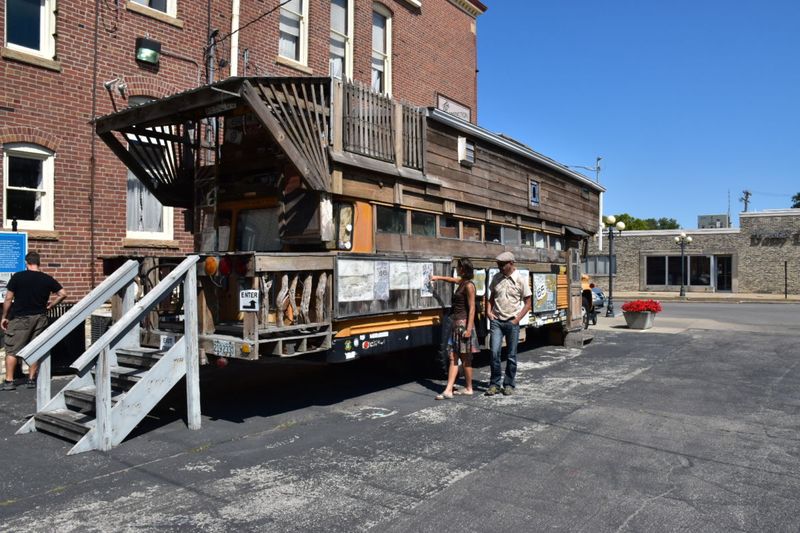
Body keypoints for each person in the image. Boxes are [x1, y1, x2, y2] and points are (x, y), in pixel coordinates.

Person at [1, 251, 67, 391]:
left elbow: (8, 298)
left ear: (26, 263)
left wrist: (4, 316)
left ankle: (9, 381)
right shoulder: (47, 279)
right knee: (35, 347)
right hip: (40, 317)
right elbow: (63, 293)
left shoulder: (18, 277)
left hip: (20, 318)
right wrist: (51, 305)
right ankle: (31, 379)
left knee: (12, 350)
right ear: (38, 263)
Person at [430, 258, 479, 399]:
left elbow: (472, 308)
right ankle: (448, 390)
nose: (456, 269)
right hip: (456, 324)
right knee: (453, 357)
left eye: (458, 267)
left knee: (465, 359)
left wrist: (469, 328)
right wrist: (437, 277)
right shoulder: (462, 282)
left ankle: (468, 388)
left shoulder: (469, 285)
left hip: (463, 325)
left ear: (463, 269)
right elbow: (452, 279)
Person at [485, 251, 531, 396]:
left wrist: (517, 319)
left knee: (511, 355)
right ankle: (494, 384)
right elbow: (490, 298)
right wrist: (488, 312)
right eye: (498, 264)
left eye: (502, 265)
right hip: (497, 321)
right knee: (494, 353)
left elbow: (528, 303)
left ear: (511, 263)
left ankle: (509, 384)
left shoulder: (520, 280)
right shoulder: (496, 278)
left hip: (512, 322)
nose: (499, 267)